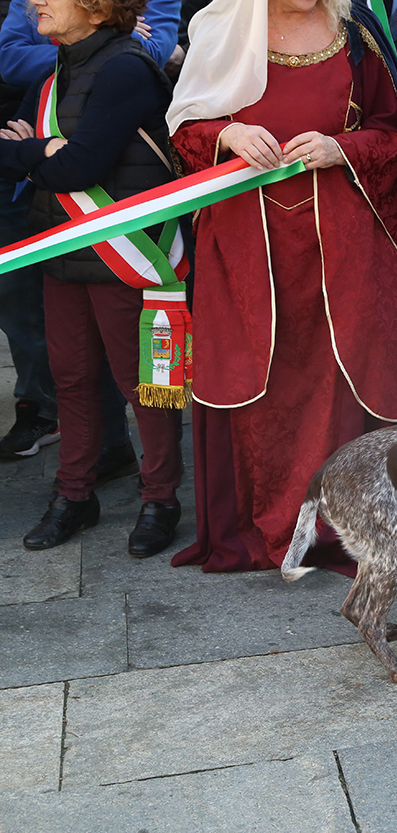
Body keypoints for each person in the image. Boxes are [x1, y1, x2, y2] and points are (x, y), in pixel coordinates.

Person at [167, 0, 397, 573]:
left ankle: (341, 525)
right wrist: (229, 134)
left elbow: (392, 137)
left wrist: (343, 149)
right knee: (258, 378)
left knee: (334, 381)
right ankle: (260, 528)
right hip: (247, 252)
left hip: (342, 255)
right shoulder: (221, 25)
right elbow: (185, 133)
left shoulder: (358, 32)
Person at [0, 0, 184, 555]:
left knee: (145, 386)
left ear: (98, 6)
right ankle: (74, 495)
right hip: (62, 249)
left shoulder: (126, 66)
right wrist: (42, 152)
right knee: (72, 378)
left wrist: (28, 152)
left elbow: (80, 166)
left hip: (123, 253)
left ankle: (161, 499)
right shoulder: (60, 67)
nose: (36, 2)